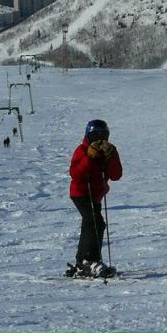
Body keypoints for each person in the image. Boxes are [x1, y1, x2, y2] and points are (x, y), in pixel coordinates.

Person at [66, 119, 122, 278]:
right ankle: (89, 260)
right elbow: (76, 174)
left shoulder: (109, 151)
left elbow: (116, 175)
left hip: (96, 195)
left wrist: (110, 156)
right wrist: (89, 158)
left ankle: (85, 260)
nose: (99, 139)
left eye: (103, 135)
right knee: (95, 222)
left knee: (93, 224)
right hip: (81, 193)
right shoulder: (82, 150)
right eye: (95, 135)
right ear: (88, 136)